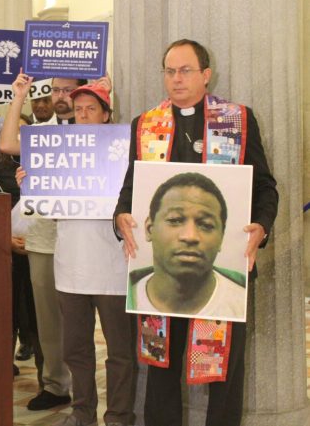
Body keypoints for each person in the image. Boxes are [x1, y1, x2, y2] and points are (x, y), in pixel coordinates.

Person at [113, 39, 278, 426]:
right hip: (162, 272)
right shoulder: (146, 124)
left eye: (185, 70)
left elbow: (265, 187)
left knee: (224, 374)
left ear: (206, 74)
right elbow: (130, 188)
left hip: (222, 269)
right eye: (169, 71)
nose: (176, 79)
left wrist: (262, 226)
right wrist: (121, 216)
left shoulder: (237, 119)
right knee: (162, 365)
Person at [18, 82, 136, 426]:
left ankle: (119, 417)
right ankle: (83, 413)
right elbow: (46, 208)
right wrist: (32, 183)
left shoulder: (123, 151)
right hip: (70, 267)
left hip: (113, 266)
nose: (84, 114)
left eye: (91, 109)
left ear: (105, 115)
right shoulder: (58, 153)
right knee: (77, 351)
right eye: (79, 108)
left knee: (120, 353)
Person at [0, 71, 86, 411]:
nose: (62, 96)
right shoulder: (43, 133)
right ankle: (55, 384)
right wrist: (18, 95)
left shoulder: (96, 130)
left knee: (84, 317)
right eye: (56, 90)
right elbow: (6, 144)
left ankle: (86, 388)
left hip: (87, 237)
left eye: (68, 90)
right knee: (48, 317)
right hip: (45, 236)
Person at [129, 172, 246, 319]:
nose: (190, 236)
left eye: (206, 224)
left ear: (222, 237)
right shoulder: (124, 300)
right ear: (149, 229)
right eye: (175, 220)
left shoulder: (242, 304)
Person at [0, 113, 41, 376]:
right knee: (7, 310)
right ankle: (2, 364)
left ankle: (47, 375)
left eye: (24, 130)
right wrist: (5, 239)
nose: (19, 136)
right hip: (7, 251)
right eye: (13, 131)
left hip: (40, 249)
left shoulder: (46, 162)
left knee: (38, 315)